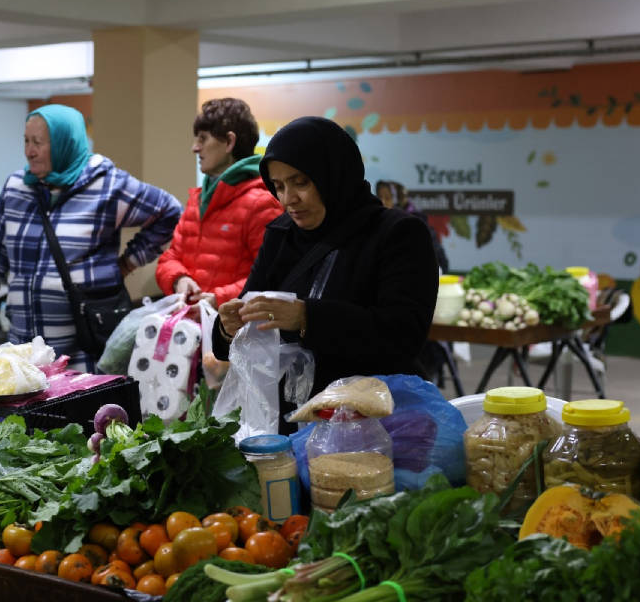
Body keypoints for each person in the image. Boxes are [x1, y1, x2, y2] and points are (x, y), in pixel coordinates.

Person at [214, 117, 438, 428]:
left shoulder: (397, 234)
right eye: (278, 186)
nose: (289, 199)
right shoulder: (281, 235)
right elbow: (249, 319)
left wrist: (308, 318)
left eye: (301, 182)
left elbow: (402, 335)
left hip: (371, 421)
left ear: (334, 174)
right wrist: (228, 328)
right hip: (288, 422)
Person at [0, 104, 182, 368]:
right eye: (26, 141)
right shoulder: (16, 189)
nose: (29, 151)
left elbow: (170, 213)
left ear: (65, 143)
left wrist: (127, 263)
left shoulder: (107, 186)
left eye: (38, 142)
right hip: (21, 352)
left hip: (82, 354)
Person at [155, 98, 282, 305]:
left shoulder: (262, 203)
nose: (194, 148)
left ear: (229, 142)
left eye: (203, 139)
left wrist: (218, 299)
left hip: (235, 332)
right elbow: (170, 258)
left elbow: (272, 277)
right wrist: (179, 279)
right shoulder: (198, 199)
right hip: (191, 330)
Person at [377, 179, 448, 271]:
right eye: (379, 197)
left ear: (397, 201)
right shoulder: (378, 223)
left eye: (387, 198)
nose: (382, 202)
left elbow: (439, 260)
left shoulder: (416, 222)